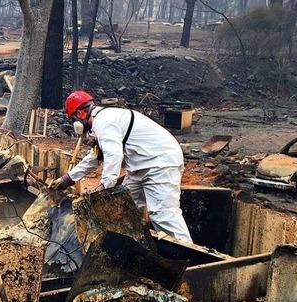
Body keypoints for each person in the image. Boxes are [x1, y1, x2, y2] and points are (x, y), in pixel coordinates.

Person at [50, 90, 192, 243]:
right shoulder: (103, 121)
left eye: (73, 120)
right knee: (124, 207)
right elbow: (95, 156)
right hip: (141, 166)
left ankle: (189, 257)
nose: (74, 124)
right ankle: (135, 247)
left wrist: (104, 187)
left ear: (80, 114)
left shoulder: (104, 122)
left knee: (162, 214)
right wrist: (68, 178)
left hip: (161, 163)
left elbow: (113, 155)